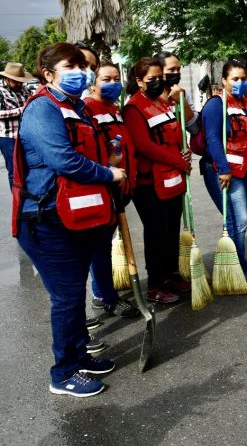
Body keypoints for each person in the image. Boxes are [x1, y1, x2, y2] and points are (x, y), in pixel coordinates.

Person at [13, 42, 126, 397]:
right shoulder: (43, 109)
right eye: (71, 65)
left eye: (83, 65)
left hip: (74, 215)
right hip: (45, 219)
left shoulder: (75, 106)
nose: (81, 72)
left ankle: (80, 357)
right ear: (49, 74)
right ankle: (63, 373)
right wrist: (109, 174)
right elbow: (64, 161)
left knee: (73, 293)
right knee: (67, 297)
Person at [123, 57, 193, 303]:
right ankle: (155, 285)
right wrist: (178, 160)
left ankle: (170, 275)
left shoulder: (163, 104)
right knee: (157, 233)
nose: (157, 83)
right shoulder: (133, 108)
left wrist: (184, 151)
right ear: (140, 81)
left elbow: (175, 135)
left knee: (171, 230)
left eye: (159, 78)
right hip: (149, 184)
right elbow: (143, 146)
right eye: (151, 79)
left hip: (172, 180)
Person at [83, 63, 139, 317]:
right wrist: (108, 171)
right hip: (103, 185)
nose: (113, 83)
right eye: (107, 79)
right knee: (100, 246)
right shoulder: (87, 109)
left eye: (117, 78)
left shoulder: (115, 109)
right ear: (93, 83)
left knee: (105, 241)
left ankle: (105, 290)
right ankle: (105, 295)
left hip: (121, 184)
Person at [200, 59, 247, 284]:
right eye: (235, 79)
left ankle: (231, 262)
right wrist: (224, 168)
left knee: (237, 222)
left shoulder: (246, 103)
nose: (240, 83)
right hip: (226, 172)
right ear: (224, 81)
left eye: (243, 79)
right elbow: (213, 138)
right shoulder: (216, 105)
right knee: (239, 220)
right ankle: (240, 267)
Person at [0, 62, 33, 186]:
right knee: (14, 170)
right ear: (7, 79)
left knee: (29, 167)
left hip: (26, 134)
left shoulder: (24, 89)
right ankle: (18, 201)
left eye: (21, 81)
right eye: (16, 81)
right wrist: (21, 110)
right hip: (8, 137)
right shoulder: (0, 91)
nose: (19, 83)